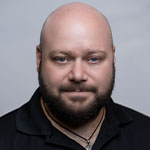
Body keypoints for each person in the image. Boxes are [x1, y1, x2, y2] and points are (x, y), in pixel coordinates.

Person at [0, 2, 150, 150]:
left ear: (113, 57)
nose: (77, 75)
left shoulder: (145, 134)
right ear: (39, 59)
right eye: (62, 59)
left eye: (93, 59)